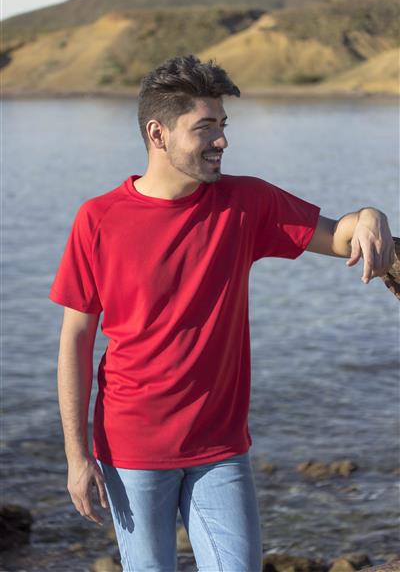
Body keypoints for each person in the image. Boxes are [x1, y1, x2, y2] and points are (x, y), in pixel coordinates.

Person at [48, 54, 395, 572]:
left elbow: (341, 236)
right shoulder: (98, 219)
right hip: (131, 449)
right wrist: (77, 457)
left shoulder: (245, 203)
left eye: (223, 125)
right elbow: (75, 340)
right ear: (158, 133)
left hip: (220, 447)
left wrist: (370, 215)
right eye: (205, 127)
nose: (222, 141)